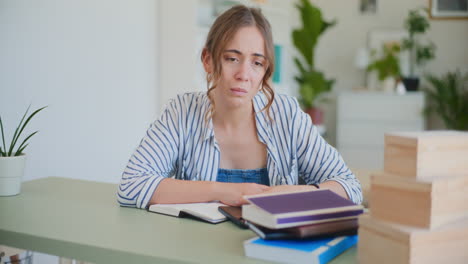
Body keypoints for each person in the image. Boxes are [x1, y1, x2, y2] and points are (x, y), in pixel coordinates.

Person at [117, 5, 362, 209]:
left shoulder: (287, 115)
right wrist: (224, 191)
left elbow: (349, 188)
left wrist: (294, 193)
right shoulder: (182, 112)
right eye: (232, 58)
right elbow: (131, 186)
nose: (244, 74)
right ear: (208, 60)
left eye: (257, 62)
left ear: (265, 70)